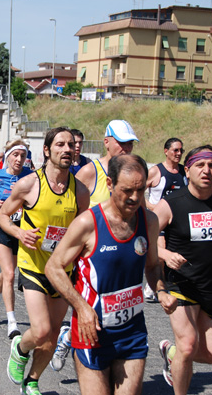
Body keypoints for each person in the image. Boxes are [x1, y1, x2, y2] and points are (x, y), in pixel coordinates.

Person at [46, 154, 177, 395]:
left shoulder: (148, 220)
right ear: (109, 184)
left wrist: (161, 290)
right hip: (91, 330)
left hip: (132, 330)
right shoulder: (88, 223)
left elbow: (152, 266)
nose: (135, 197)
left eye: (140, 190)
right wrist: (81, 308)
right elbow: (53, 267)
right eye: (127, 190)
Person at [0, 126, 89, 395]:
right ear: (47, 151)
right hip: (33, 265)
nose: (67, 149)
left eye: (71, 145)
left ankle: (32, 380)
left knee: (52, 335)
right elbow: (3, 215)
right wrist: (19, 232)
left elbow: (86, 228)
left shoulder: (80, 190)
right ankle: (19, 347)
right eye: (60, 144)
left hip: (62, 269)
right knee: (40, 331)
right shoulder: (29, 184)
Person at [153, 145, 212, 393]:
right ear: (188, 170)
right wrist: (164, 253)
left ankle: (170, 353)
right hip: (180, 284)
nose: (207, 170)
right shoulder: (171, 203)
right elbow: (145, 240)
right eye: (200, 165)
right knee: (188, 346)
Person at [0, 140, 33, 339]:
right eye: (15, 155)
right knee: (10, 274)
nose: (19, 159)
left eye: (23, 155)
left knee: (9, 271)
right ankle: (12, 322)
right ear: (8, 156)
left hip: (22, 229)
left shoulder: (30, 176)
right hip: (1, 225)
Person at [143, 137, 187, 300]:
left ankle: (169, 283)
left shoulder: (184, 172)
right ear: (166, 151)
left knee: (177, 253)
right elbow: (140, 191)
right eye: (175, 150)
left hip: (176, 222)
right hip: (158, 220)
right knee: (161, 253)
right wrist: (153, 207)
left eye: (181, 150)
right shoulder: (156, 171)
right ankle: (152, 285)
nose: (179, 153)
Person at [75, 120, 138, 208]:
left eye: (130, 143)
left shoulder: (134, 173)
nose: (127, 148)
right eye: (122, 143)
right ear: (106, 142)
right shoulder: (89, 172)